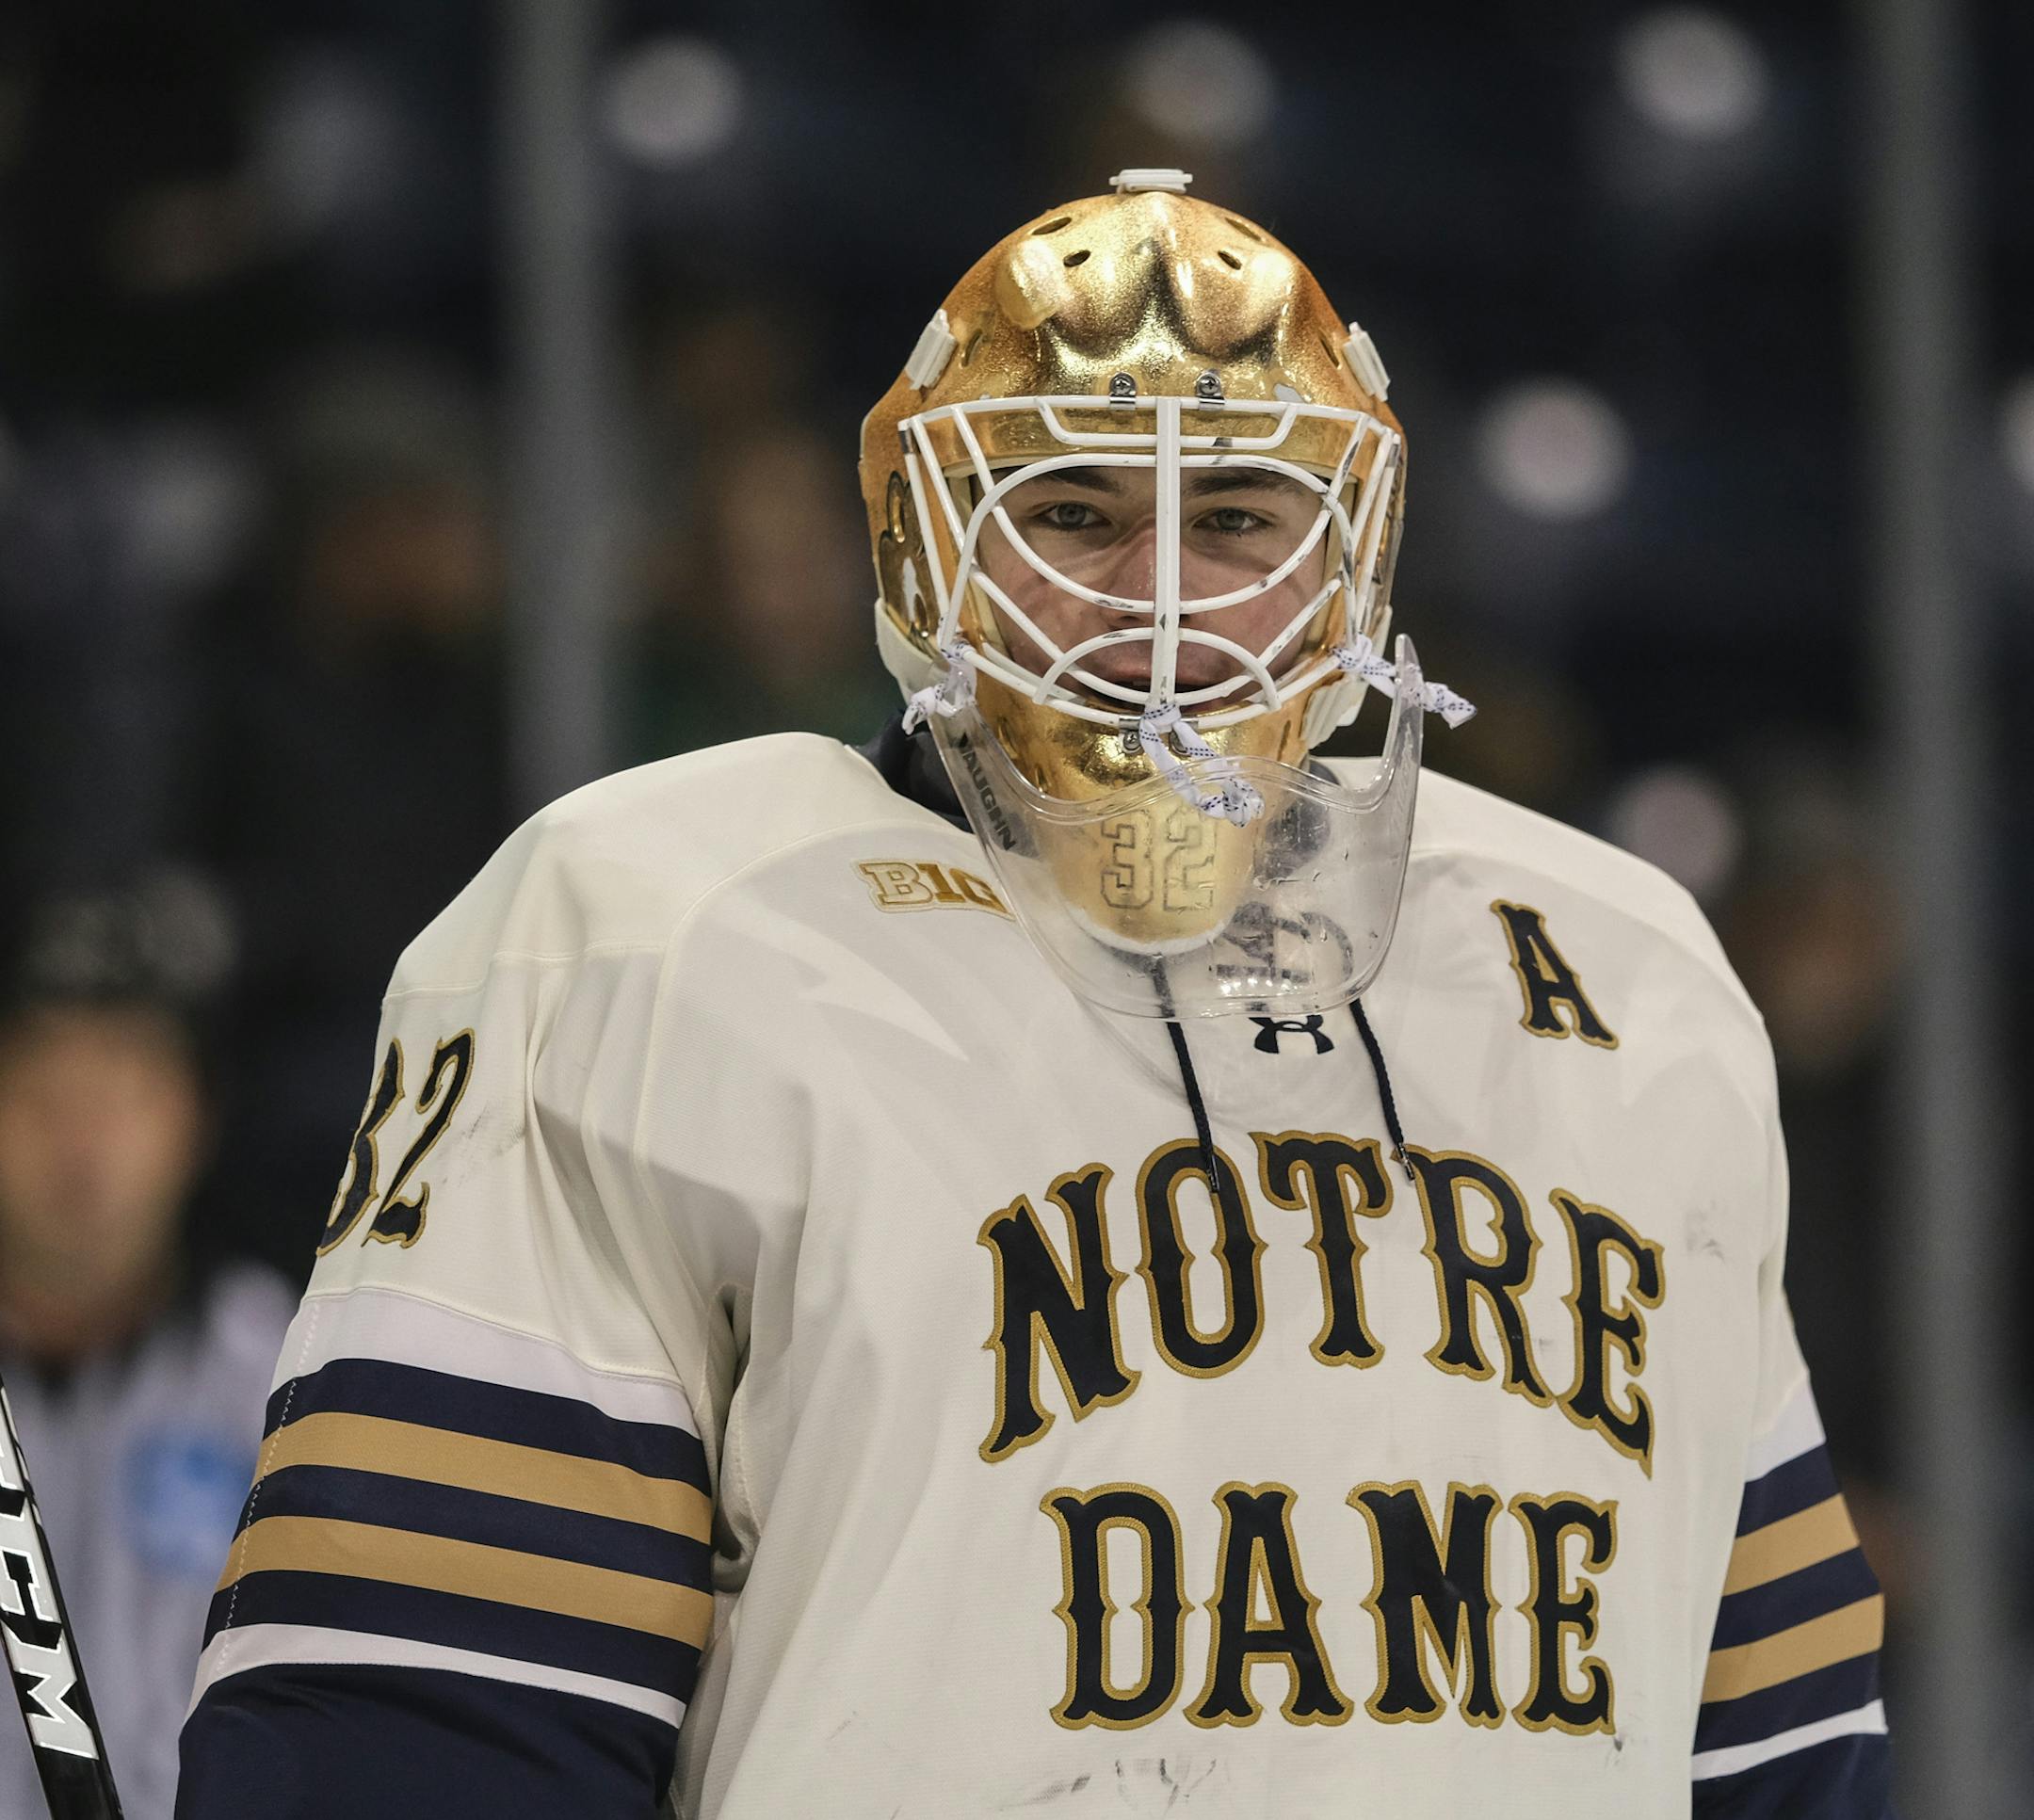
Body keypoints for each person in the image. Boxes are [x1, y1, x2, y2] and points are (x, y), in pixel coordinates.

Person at [177, 173, 1894, 1817]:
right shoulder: (646, 927)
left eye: (1236, 516)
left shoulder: (1627, 965)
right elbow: (428, 1709)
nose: (1157, 599)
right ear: (924, 546)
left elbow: (1780, 1749)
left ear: (1353, 553)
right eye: (1071, 510)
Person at [0, 897, 295, 1820]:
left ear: (196, 1118)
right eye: (42, 1091)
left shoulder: (292, 1376)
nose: (81, 1146)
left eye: (124, 1094)